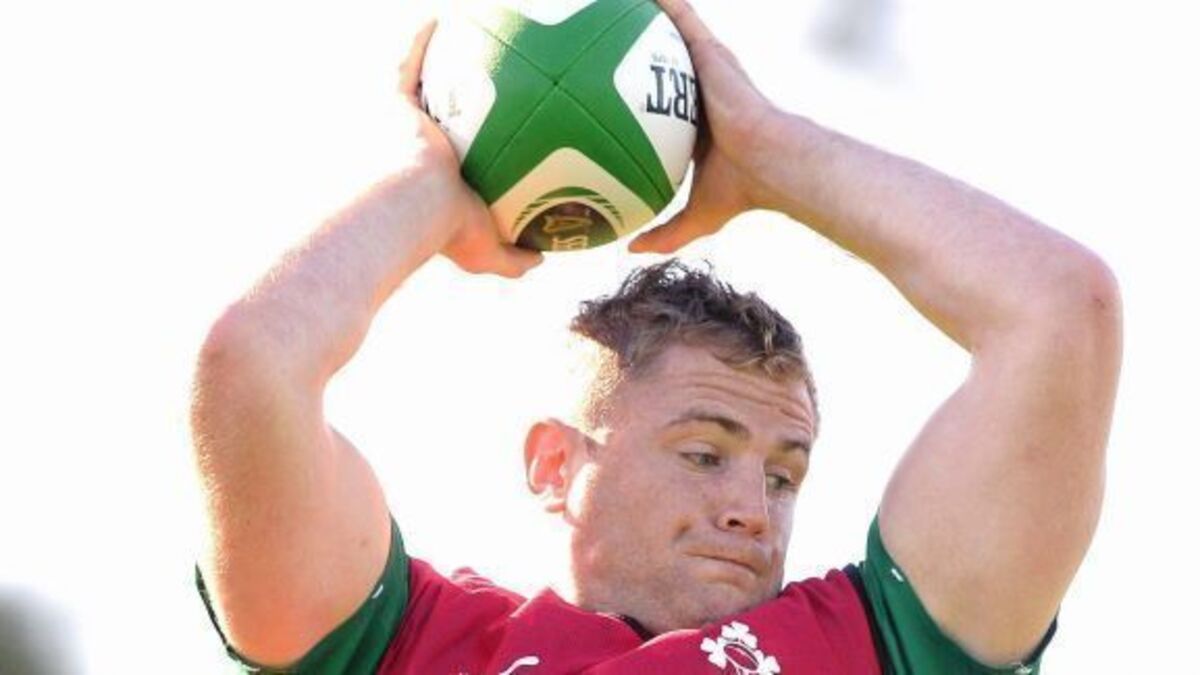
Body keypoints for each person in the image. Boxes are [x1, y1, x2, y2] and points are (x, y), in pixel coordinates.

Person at [189, 1, 1122, 673]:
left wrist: (773, 153)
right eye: (705, 453)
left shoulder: (876, 644)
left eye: (784, 474)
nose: (753, 510)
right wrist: (426, 192)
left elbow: (1059, 310)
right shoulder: (411, 642)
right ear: (554, 464)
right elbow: (250, 368)